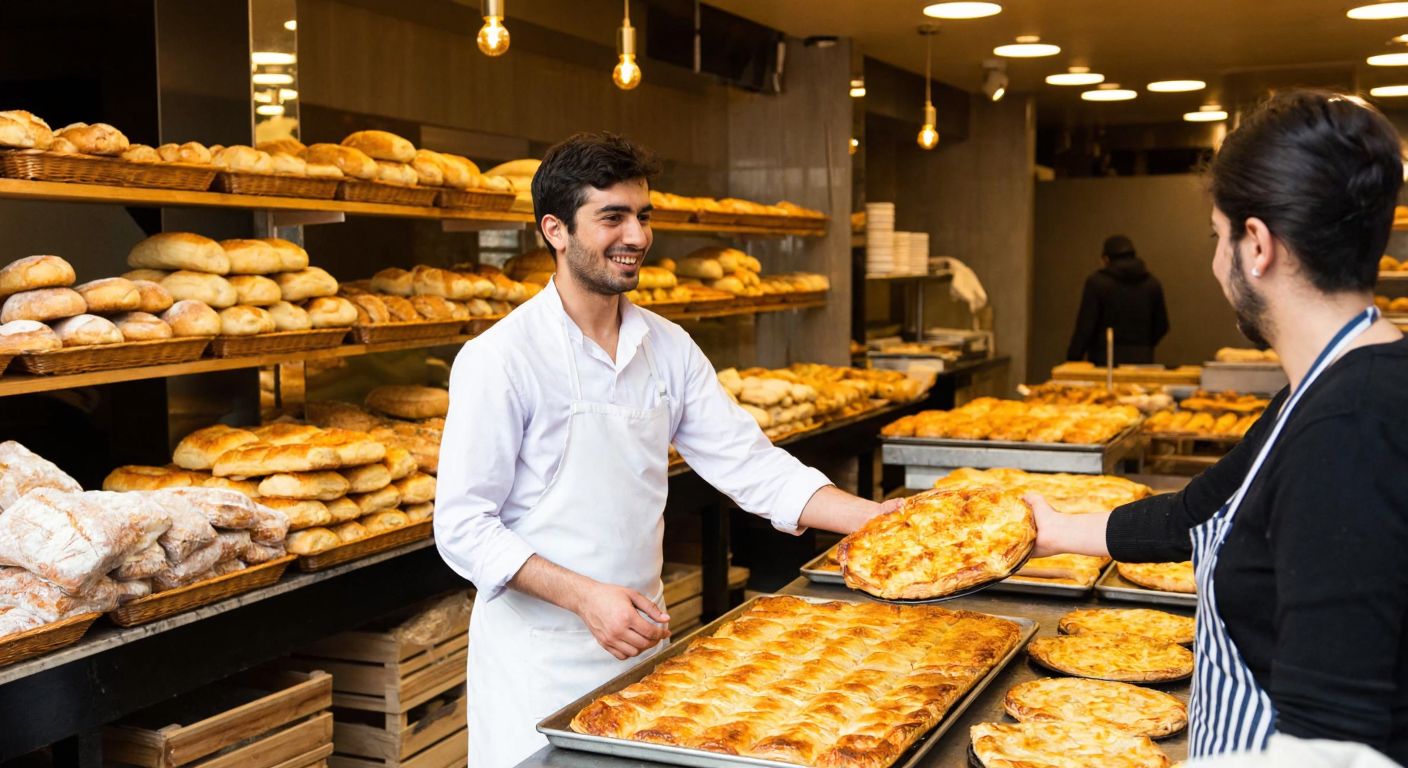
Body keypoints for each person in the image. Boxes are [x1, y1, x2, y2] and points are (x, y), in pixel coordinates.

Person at [434, 132, 899, 768]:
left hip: (641, 650)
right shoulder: (500, 359)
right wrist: (584, 596)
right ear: (555, 230)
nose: (637, 236)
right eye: (613, 217)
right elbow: (462, 527)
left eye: (644, 216)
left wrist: (881, 522)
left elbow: (753, 467)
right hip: (538, 660)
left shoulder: (668, 347)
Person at [1029, 90, 1408, 762]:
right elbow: (1200, 513)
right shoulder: (1337, 384)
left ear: (1256, 245)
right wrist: (1054, 529)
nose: (1215, 262)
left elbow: (1334, 744)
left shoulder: (1347, 434)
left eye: (1217, 235)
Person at [1065, 234, 1170, 364]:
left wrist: (1073, 358)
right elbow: (1162, 325)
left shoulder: (1097, 283)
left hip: (1104, 358)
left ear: (1106, 259)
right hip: (1142, 358)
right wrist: (1144, 345)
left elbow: (1085, 326)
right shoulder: (1152, 284)